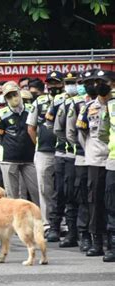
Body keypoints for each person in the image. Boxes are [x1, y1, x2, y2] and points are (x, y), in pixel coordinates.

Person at [77, 70, 111, 257]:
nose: (98, 85)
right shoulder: (88, 107)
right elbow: (81, 135)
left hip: (113, 158)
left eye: (102, 82)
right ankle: (97, 240)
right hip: (96, 159)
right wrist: (92, 150)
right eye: (96, 83)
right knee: (95, 201)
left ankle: (111, 239)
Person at [27, 71, 63, 238]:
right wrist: (38, 145)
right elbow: (31, 127)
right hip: (44, 152)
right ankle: (47, 223)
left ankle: (63, 224)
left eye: (56, 83)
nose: (53, 86)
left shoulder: (67, 101)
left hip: (65, 151)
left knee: (64, 189)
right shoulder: (39, 101)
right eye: (50, 83)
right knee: (44, 188)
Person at [0, 81, 39, 202]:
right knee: (12, 195)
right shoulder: (2, 114)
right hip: (8, 158)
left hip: (30, 157)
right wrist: (10, 146)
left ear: (19, 92)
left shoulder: (32, 109)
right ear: (5, 98)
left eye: (15, 94)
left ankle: (41, 219)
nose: (13, 98)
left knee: (36, 192)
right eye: (9, 96)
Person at [66, 70, 96, 252]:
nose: (90, 86)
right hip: (83, 158)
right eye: (86, 82)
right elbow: (69, 132)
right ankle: (85, 235)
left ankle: (104, 237)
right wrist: (87, 149)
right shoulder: (77, 105)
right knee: (83, 199)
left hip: (105, 159)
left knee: (102, 201)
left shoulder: (110, 104)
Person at [50, 72, 82, 248]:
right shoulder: (61, 101)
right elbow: (55, 127)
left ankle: (83, 232)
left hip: (90, 155)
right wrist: (73, 144)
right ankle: (63, 229)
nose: (73, 86)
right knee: (63, 191)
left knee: (83, 195)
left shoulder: (86, 100)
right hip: (67, 153)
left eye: (76, 82)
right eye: (69, 83)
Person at [98, 70, 115, 262]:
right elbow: (103, 133)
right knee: (111, 205)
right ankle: (113, 246)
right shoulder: (109, 106)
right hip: (113, 161)